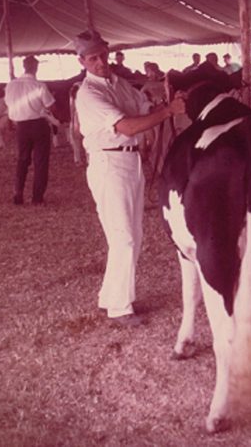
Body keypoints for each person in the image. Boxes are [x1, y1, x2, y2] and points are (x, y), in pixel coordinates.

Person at [73, 29, 186, 326]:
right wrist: (167, 113)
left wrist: (165, 102)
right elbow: (128, 127)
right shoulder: (89, 93)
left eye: (103, 55)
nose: (100, 62)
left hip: (131, 160)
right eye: (93, 58)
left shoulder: (118, 83)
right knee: (123, 236)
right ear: (82, 61)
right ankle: (120, 309)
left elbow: (143, 107)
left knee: (131, 236)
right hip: (109, 162)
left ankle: (110, 296)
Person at [5, 55, 56, 205]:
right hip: (38, 125)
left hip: (21, 127)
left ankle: (18, 192)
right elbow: (50, 105)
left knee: (22, 159)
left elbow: (9, 103)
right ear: (36, 67)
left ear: (24, 66)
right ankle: (37, 198)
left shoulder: (11, 85)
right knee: (40, 162)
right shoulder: (39, 85)